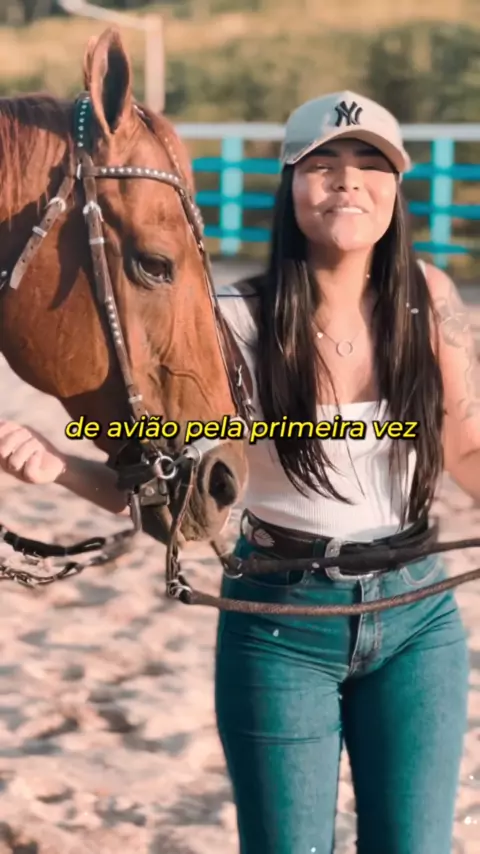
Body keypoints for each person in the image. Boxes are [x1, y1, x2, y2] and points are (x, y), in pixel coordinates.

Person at [0, 90, 479, 854]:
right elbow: (175, 494)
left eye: (370, 164)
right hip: (280, 623)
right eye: (322, 163)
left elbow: (467, 450)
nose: (347, 180)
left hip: (420, 618)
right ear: (290, 185)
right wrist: (59, 464)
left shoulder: (428, 299)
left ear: (396, 188)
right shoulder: (230, 319)